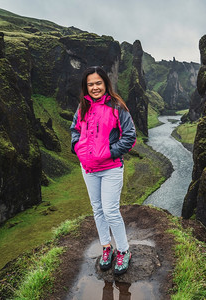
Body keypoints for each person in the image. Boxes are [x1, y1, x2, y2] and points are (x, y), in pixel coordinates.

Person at [70, 66, 136, 275]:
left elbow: (129, 136)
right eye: (91, 84)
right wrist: (78, 149)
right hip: (88, 168)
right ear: (85, 87)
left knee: (110, 210)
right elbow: (75, 131)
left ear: (106, 83)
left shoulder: (117, 106)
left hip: (110, 168)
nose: (95, 87)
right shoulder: (82, 108)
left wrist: (108, 152)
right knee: (97, 209)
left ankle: (124, 251)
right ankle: (106, 247)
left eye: (98, 83)